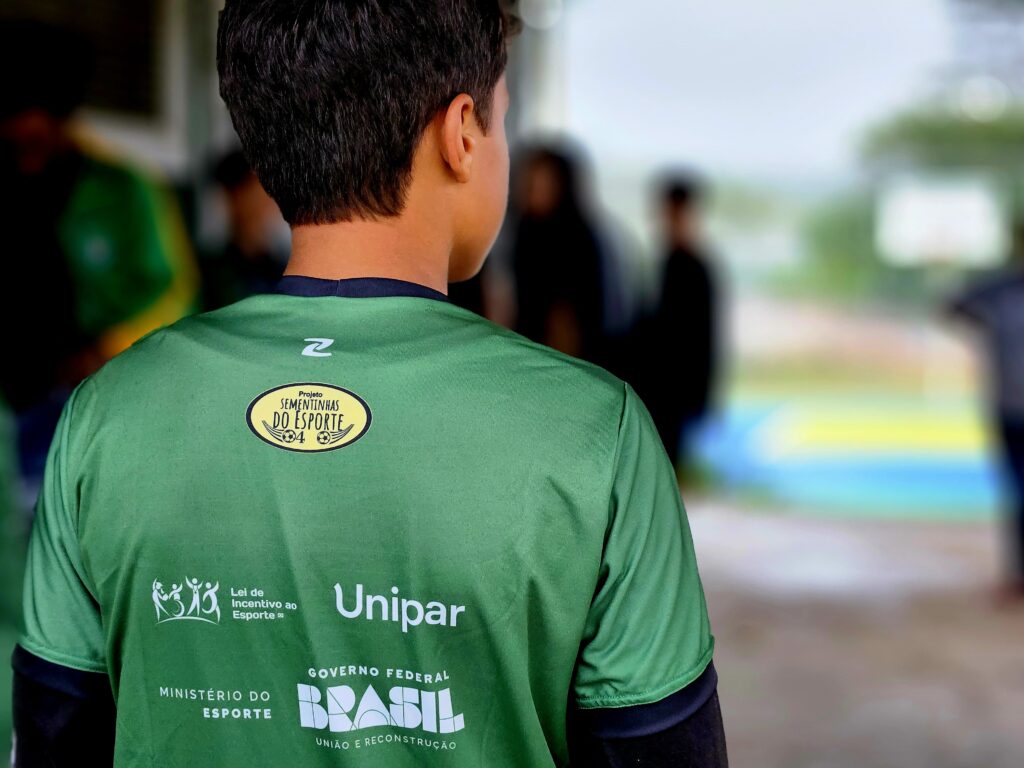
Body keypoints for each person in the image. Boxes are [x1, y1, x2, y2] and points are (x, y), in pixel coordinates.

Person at [11, 3, 727, 766]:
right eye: (502, 122)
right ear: (461, 135)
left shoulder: (106, 414)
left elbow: (55, 735)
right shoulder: (597, 434)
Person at [0, 19, 200, 517]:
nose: (23, 134)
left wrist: (102, 351)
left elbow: (175, 290)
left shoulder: (125, 187)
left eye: (36, 118)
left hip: (91, 394)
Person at [945, 221, 1024, 601]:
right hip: (1009, 407)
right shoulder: (996, 289)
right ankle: (1016, 575)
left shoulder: (997, 291)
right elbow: (954, 307)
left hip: (1008, 405)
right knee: (1017, 491)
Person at [636, 172, 720, 475]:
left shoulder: (693, 267)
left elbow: (705, 338)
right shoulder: (670, 262)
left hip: (676, 392)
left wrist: (702, 396)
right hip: (661, 389)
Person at [509, 143, 612, 368]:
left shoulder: (577, 237)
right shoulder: (523, 230)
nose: (533, 189)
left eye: (542, 181)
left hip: (563, 363)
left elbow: (572, 319)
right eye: (530, 181)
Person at [197, 148, 290, 311]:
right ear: (233, 195)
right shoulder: (208, 275)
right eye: (261, 186)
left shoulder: (286, 270)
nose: (271, 197)